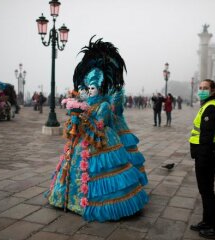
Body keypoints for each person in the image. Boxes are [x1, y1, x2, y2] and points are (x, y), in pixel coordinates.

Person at [46, 37, 148, 222]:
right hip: (82, 140)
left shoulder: (104, 105)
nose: (90, 90)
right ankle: (68, 199)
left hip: (100, 141)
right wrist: (75, 116)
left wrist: (84, 118)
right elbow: (77, 124)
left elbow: (101, 124)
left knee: (100, 172)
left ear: (100, 88)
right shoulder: (84, 102)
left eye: (93, 87)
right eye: (87, 87)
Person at [188, 79, 215, 240]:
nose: (202, 90)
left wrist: (202, 159)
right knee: (206, 191)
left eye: (205, 88)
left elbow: (206, 137)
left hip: (206, 156)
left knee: (207, 192)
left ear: (212, 90)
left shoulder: (211, 107)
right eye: (200, 88)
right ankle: (207, 221)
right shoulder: (212, 104)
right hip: (209, 154)